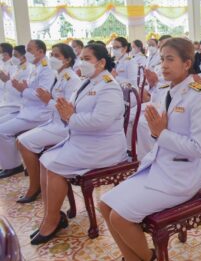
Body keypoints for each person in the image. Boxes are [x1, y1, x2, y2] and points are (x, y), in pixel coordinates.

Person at [100, 38, 201, 261]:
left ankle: (148, 257)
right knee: (105, 205)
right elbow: (158, 132)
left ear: (187, 63)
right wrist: (156, 133)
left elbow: (199, 148)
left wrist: (161, 134)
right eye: (162, 59)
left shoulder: (199, 95)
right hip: (158, 167)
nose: (164, 65)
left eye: (170, 59)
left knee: (119, 217)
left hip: (182, 175)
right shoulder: (164, 91)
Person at [31, 44, 128, 245]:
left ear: (101, 63)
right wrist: (67, 112)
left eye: (87, 59)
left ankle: (52, 221)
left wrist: (71, 116)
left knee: (54, 166)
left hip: (103, 147)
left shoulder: (109, 86)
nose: (82, 62)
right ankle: (52, 215)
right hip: (83, 141)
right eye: (81, 58)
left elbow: (100, 121)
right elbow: (73, 108)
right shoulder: (89, 82)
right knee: (45, 159)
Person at [16, 44, 80, 203]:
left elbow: (69, 110)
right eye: (52, 54)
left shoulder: (71, 79)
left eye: (57, 56)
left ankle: (34, 186)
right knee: (21, 140)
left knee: (23, 142)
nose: (52, 58)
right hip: (54, 122)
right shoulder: (60, 76)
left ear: (67, 60)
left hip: (65, 127)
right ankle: (36, 183)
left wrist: (48, 101)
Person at [0, 40, 55, 179]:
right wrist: (20, 89)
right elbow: (28, 90)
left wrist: (23, 90)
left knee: (2, 131)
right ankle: (10, 163)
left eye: (30, 50)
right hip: (27, 109)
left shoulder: (46, 68)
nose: (27, 53)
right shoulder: (36, 67)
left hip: (39, 114)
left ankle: (13, 165)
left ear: (41, 51)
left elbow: (42, 95)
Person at [0, 45, 32, 117]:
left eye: (15, 55)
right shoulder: (19, 68)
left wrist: (7, 81)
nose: (13, 58)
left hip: (16, 105)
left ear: (24, 57)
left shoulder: (27, 70)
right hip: (8, 101)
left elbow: (20, 91)